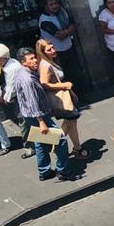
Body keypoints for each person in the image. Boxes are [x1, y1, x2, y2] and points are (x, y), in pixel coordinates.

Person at [12, 47, 71, 181]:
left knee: (40, 143)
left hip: (30, 115)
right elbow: (33, 102)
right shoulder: (28, 79)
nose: (35, 61)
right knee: (60, 140)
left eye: (34, 57)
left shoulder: (21, 73)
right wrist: (42, 122)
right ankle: (63, 171)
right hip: (37, 116)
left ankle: (44, 171)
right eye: (31, 59)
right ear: (23, 62)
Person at [38, 0, 83, 90]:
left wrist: (66, 31)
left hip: (69, 48)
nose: (55, 6)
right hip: (56, 53)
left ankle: (81, 95)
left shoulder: (62, 14)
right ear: (45, 7)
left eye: (55, 3)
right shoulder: (44, 21)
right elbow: (60, 36)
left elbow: (73, 25)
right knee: (64, 76)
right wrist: (68, 30)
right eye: (51, 5)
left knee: (76, 73)